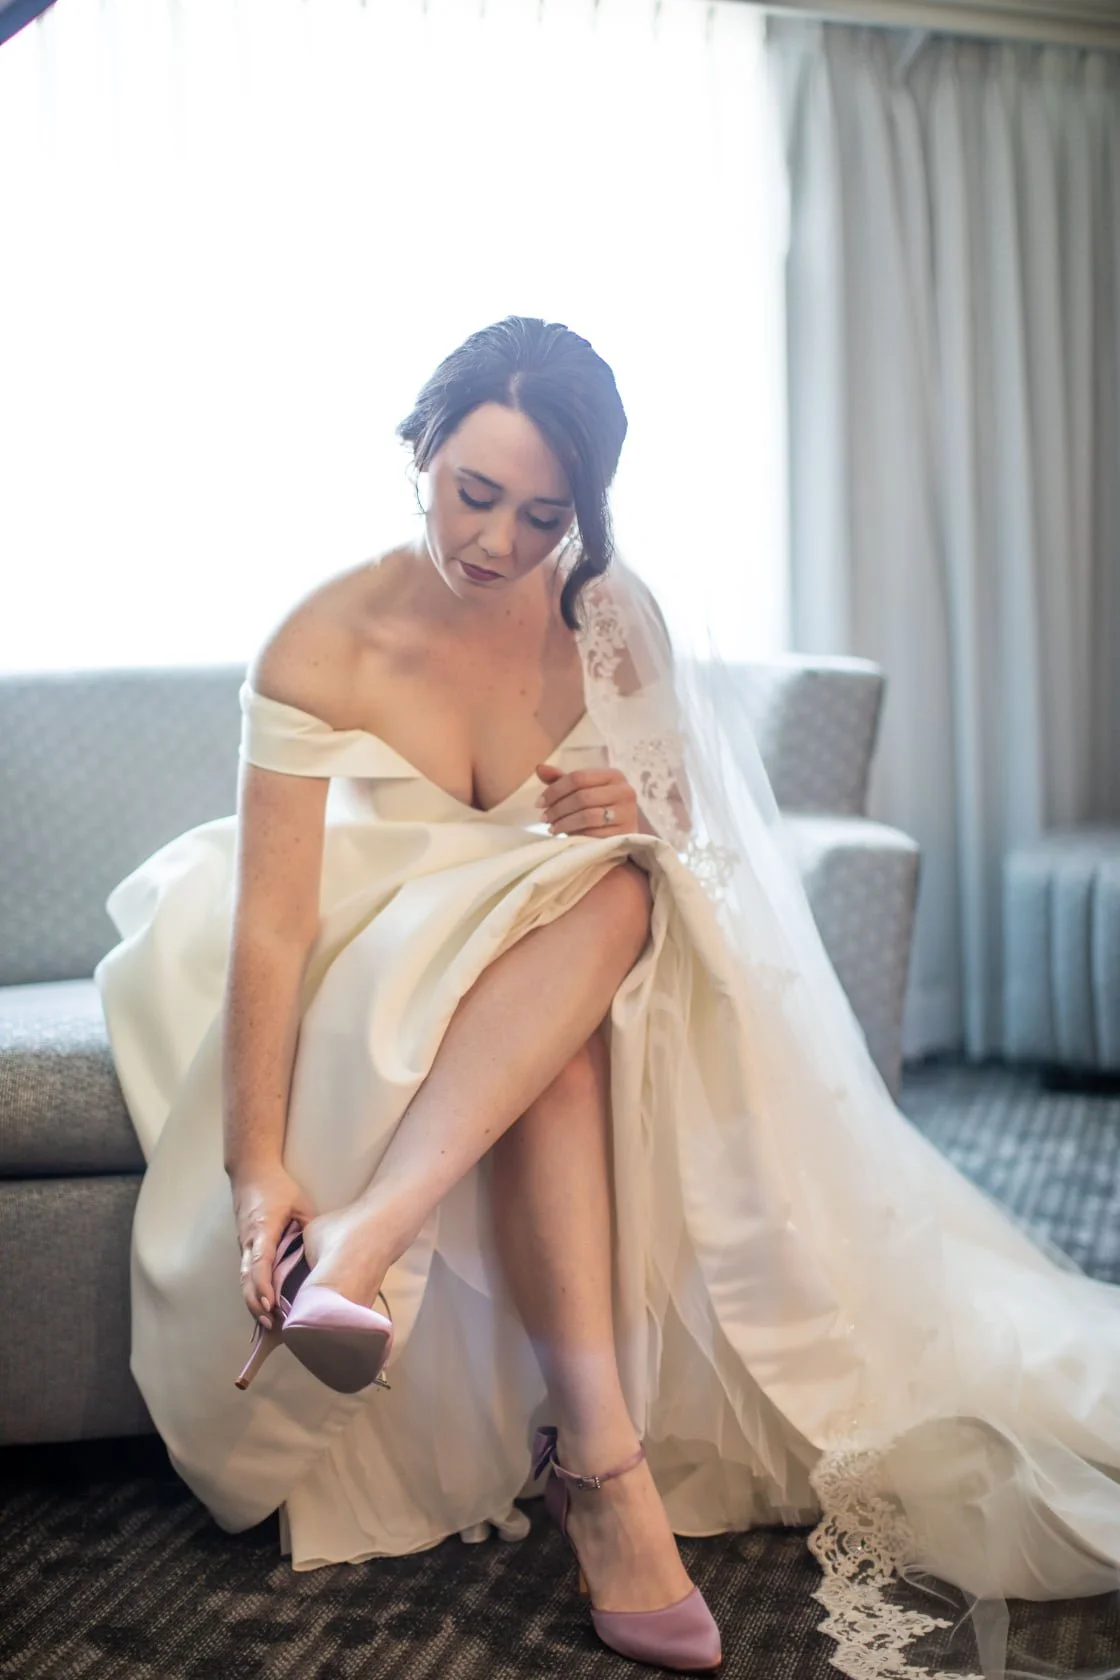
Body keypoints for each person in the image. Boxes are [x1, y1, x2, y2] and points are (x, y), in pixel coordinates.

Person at [95, 317, 1120, 1680]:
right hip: (374, 958)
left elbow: (688, 836)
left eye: (545, 515)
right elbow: (275, 928)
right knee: (584, 966)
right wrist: (254, 1167)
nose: (500, 543)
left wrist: (638, 801)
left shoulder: (606, 616)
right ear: (418, 447)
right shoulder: (321, 639)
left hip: (551, 963)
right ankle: (602, 1472)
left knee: (613, 907)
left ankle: (388, 1259)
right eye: (473, 493)